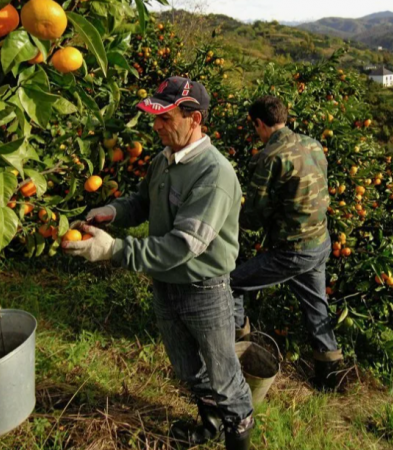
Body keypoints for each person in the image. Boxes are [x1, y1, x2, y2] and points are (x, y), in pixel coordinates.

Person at [63, 77, 255, 450]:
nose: (156, 126)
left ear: (194, 118)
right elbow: (141, 202)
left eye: (165, 118)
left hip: (204, 289)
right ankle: (210, 422)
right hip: (164, 282)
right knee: (187, 368)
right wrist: (111, 212)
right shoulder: (164, 160)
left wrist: (114, 250)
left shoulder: (214, 175)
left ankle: (237, 432)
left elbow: (183, 245)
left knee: (224, 374)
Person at [231, 95, 345, 391]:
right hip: (320, 241)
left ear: (258, 123)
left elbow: (253, 216)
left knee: (232, 283)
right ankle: (331, 378)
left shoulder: (272, 157)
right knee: (316, 307)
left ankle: (239, 349)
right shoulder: (312, 144)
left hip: (293, 250)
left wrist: (226, 218)